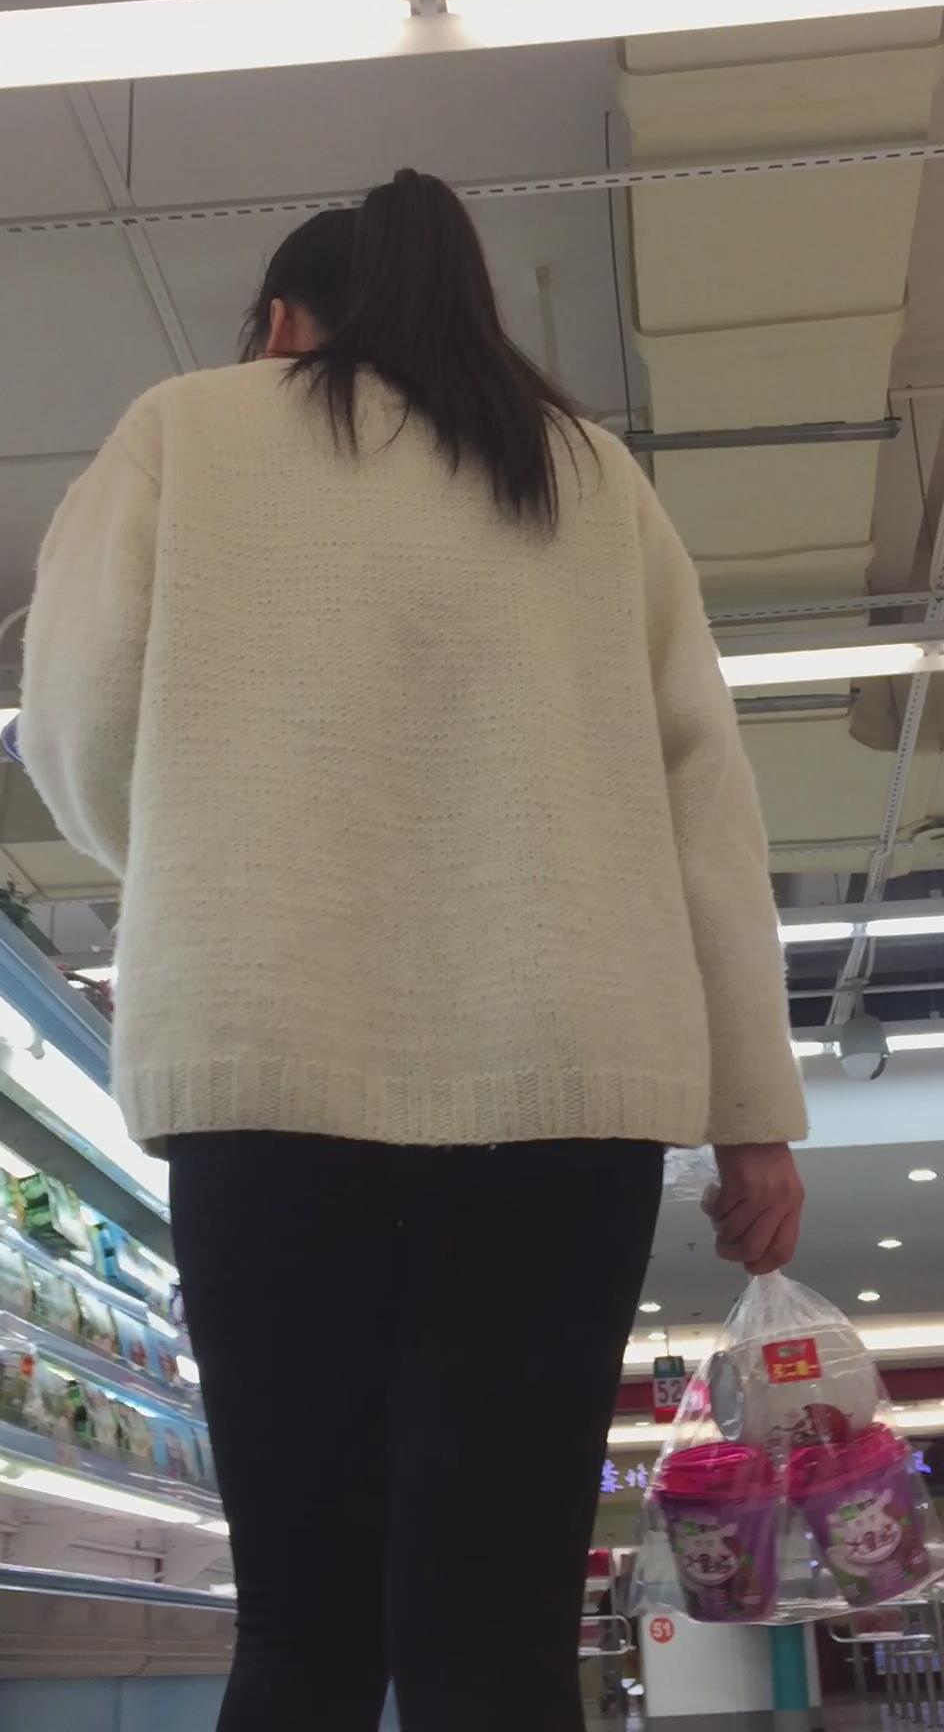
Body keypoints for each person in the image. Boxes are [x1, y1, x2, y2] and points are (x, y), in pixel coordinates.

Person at [19, 169, 806, 1731]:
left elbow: (80, 727)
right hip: (567, 1093)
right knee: (495, 1639)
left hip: (264, 1073)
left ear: (281, 324)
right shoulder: (591, 476)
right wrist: (753, 1113)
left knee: (302, 1634)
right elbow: (703, 808)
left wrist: (202, 863)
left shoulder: (185, 431)